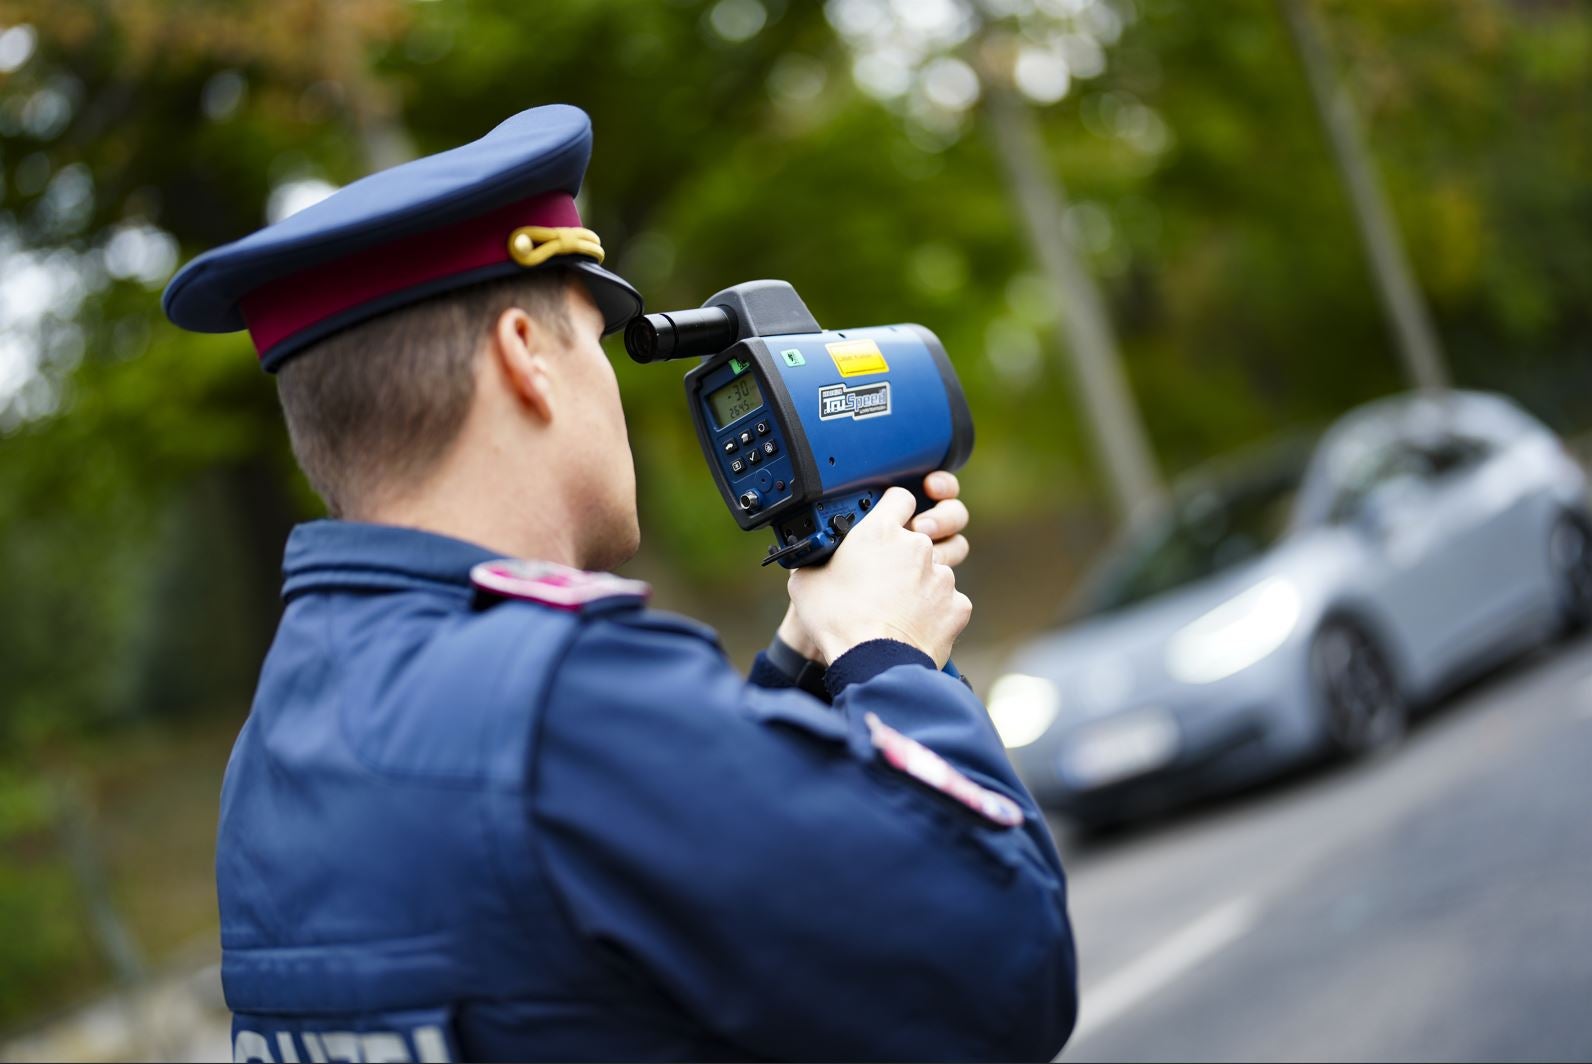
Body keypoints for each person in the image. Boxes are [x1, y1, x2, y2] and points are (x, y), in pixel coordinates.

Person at [163, 104, 1077, 1063]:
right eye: (594, 343)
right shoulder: (564, 705)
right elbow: (1001, 967)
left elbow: (614, 933)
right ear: (525, 355)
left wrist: (803, 665)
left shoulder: (270, 760)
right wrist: (892, 662)